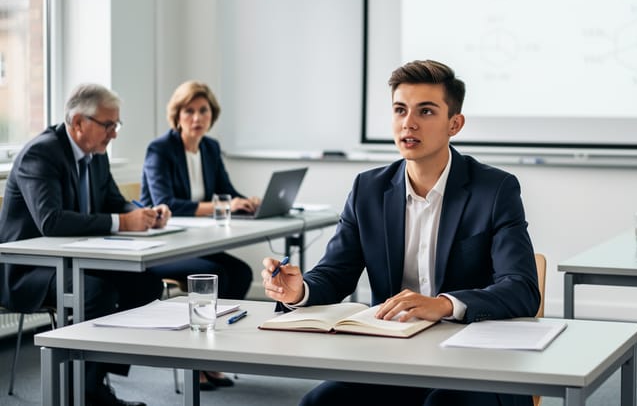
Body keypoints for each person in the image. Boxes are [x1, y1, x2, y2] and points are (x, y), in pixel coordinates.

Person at [261, 60, 540, 406]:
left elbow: (522, 288)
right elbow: (336, 273)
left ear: (455, 124)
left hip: (476, 362)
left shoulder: (494, 190)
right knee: (318, 404)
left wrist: (442, 305)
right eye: (399, 110)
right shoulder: (368, 189)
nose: (409, 123)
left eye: (425, 111)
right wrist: (299, 290)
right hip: (394, 358)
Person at [0, 84, 171, 406]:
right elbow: (51, 222)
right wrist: (123, 222)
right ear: (78, 122)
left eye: (116, 125)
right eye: (109, 125)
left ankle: (92, 383)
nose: (114, 134)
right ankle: (81, 391)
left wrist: (145, 215)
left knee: (146, 285)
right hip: (27, 270)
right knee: (94, 292)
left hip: (75, 263)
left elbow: (116, 203)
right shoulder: (42, 153)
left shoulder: (96, 156)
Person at [140, 80, 255, 389]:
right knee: (217, 274)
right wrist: (224, 204)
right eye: (189, 111)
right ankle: (196, 361)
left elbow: (226, 192)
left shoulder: (210, 147)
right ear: (177, 115)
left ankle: (210, 354)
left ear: (211, 115)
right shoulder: (160, 149)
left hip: (195, 243)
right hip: (161, 247)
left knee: (241, 273)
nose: (196, 118)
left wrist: (248, 203)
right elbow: (168, 203)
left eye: (203, 110)